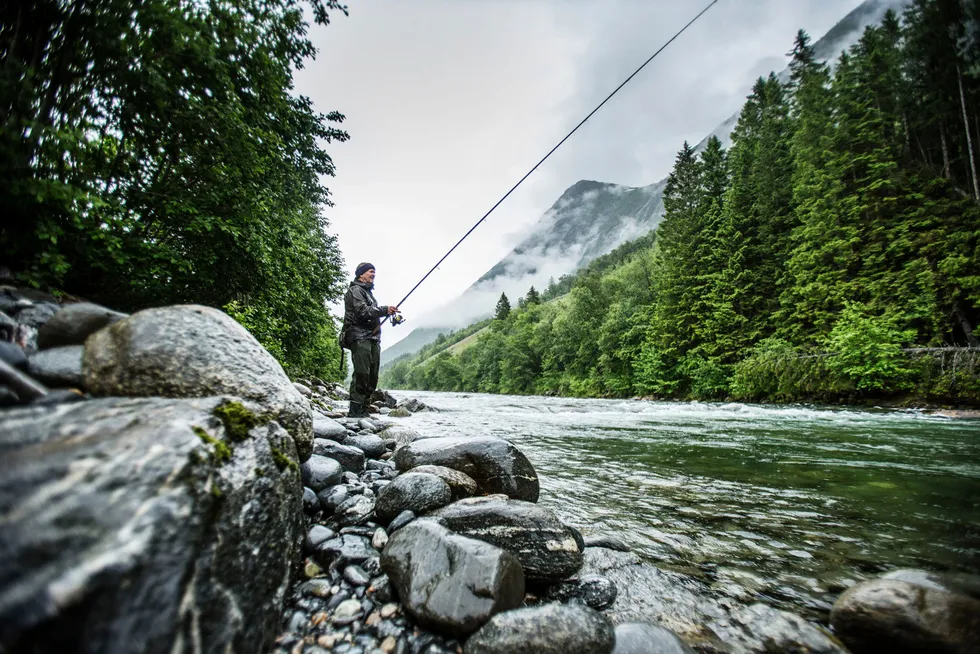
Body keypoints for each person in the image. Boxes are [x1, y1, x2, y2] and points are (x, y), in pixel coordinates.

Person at [342, 262, 398, 418]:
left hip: (373, 339)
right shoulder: (355, 291)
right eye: (370, 271)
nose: (373, 274)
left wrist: (386, 312)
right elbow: (362, 311)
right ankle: (354, 413)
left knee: (372, 376)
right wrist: (384, 309)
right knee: (361, 374)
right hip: (359, 337)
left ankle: (364, 410)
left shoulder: (369, 294)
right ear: (361, 274)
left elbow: (371, 312)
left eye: (374, 272)